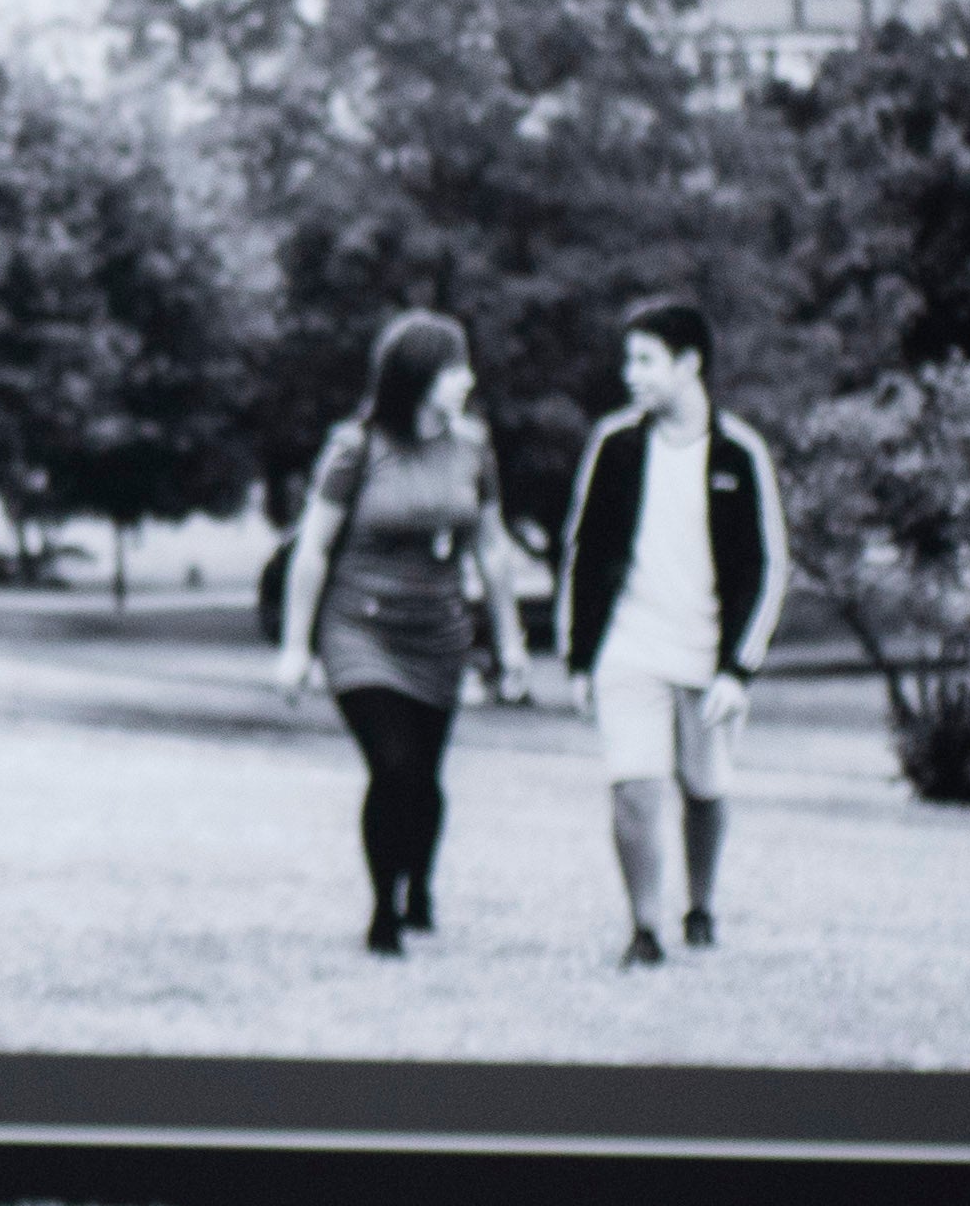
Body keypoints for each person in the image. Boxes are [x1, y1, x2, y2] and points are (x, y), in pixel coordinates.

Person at [273, 311, 531, 955]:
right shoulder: (356, 447)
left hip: (440, 633)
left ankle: (419, 886)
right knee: (393, 767)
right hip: (359, 631)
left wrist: (511, 641)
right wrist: (295, 646)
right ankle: (383, 911)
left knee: (425, 773)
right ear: (417, 377)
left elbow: (492, 550)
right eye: (454, 370)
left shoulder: (473, 447)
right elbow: (312, 550)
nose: (467, 381)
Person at [558, 297, 791, 965]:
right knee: (633, 786)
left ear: (689, 364)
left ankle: (701, 907)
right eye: (627, 360)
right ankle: (643, 929)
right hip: (629, 646)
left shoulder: (740, 452)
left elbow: (767, 566)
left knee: (705, 788)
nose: (630, 374)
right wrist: (579, 659)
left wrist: (736, 671)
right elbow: (583, 551)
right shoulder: (615, 446)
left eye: (645, 361)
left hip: (707, 653)